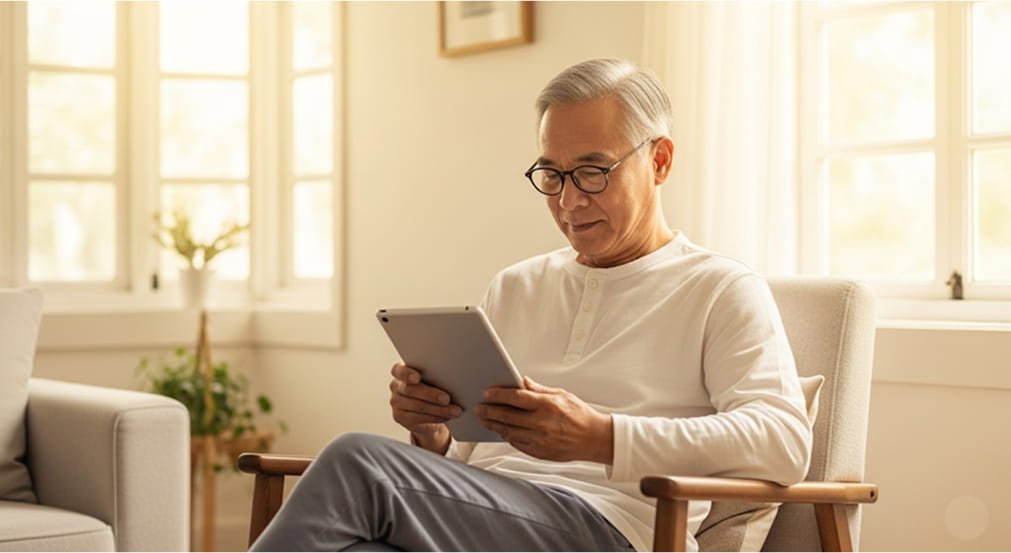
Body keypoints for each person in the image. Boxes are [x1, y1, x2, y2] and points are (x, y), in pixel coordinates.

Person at [250, 58, 812, 552]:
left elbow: (781, 441)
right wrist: (432, 433)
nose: (569, 200)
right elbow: (472, 464)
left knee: (356, 462)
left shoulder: (719, 288)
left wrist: (603, 436)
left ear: (660, 161)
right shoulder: (516, 286)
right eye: (552, 174)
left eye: (593, 171)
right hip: (488, 518)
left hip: (607, 528)